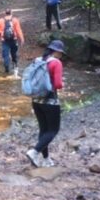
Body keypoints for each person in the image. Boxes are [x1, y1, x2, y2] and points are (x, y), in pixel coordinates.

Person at [26, 40, 65, 168]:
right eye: (61, 52)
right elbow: (58, 84)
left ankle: (46, 159)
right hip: (50, 101)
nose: (61, 55)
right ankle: (34, 151)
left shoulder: (39, 60)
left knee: (43, 130)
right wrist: (62, 84)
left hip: (36, 100)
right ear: (57, 51)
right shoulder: (56, 63)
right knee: (53, 130)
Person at [0, 8, 25, 74]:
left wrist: (1, 31)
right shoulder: (15, 20)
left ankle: (6, 69)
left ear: (5, 13)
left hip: (4, 41)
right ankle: (15, 67)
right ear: (11, 13)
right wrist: (22, 39)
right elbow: (18, 30)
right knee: (14, 54)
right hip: (14, 40)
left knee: (5, 55)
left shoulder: (1, 20)